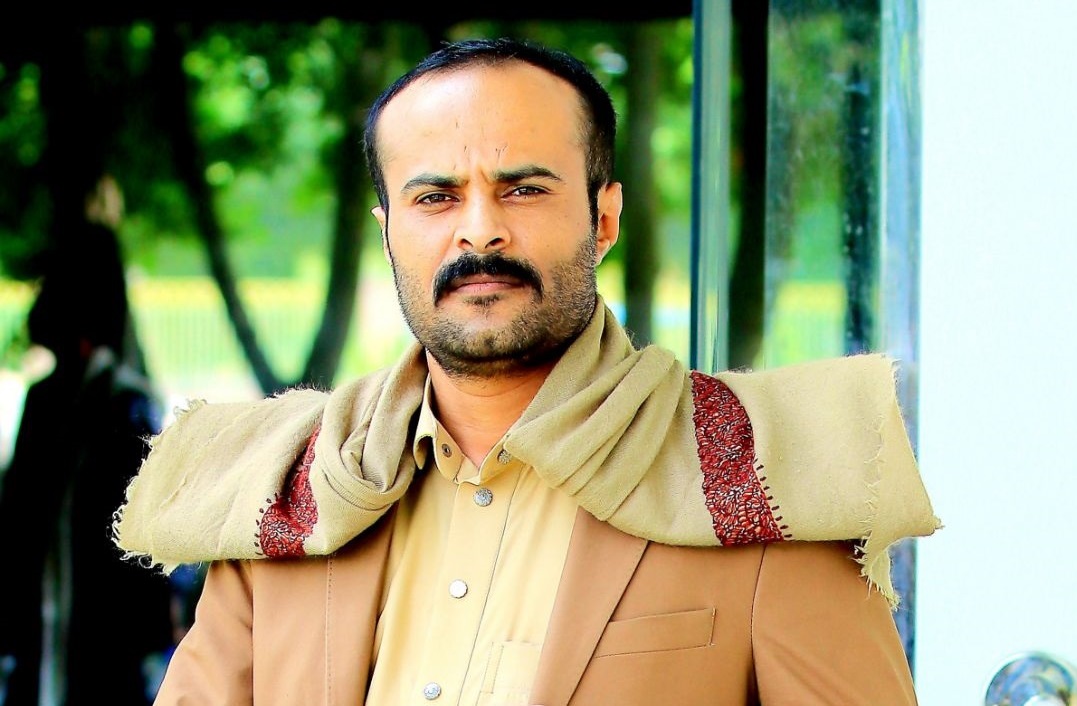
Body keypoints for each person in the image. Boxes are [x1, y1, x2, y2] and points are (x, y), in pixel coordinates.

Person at [112, 37, 940, 705]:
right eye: (435, 198)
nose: (479, 231)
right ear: (387, 229)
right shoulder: (293, 489)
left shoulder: (762, 479)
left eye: (523, 190)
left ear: (604, 217)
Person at [0, 172, 176, 705]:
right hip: (42, 627)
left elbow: (142, 533)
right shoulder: (47, 401)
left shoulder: (126, 405)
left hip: (101, 637)